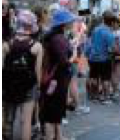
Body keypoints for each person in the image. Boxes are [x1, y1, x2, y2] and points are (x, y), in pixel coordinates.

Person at [2, 10, 44, 140]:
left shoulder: (6, 44)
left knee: (8, 119)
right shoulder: (37, 46)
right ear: (31, 27)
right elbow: (38, 71)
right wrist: (39, 87)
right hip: (28, 86)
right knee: (25, 122)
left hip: (8, 85)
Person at [41, 9, 76, 140]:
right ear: (64, 24)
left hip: (55, 79)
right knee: (53, 111)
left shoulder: (55, 37)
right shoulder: (58, 38)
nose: (72, 22)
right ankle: (51, 137)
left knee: (56, 110)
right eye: (70, 21)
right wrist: (73, 57)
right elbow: (64, 62)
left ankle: (59, 136)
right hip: (57, 80)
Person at [87, 11, 117, 104]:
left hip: (92, 57)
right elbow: (113, 48)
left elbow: (91, 42)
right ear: (112, 22)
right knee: (105, 79)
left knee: (93, 77)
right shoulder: (109, 33)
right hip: (104, 58)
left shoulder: (95, 29)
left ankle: (94, 96)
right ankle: (106, 98)